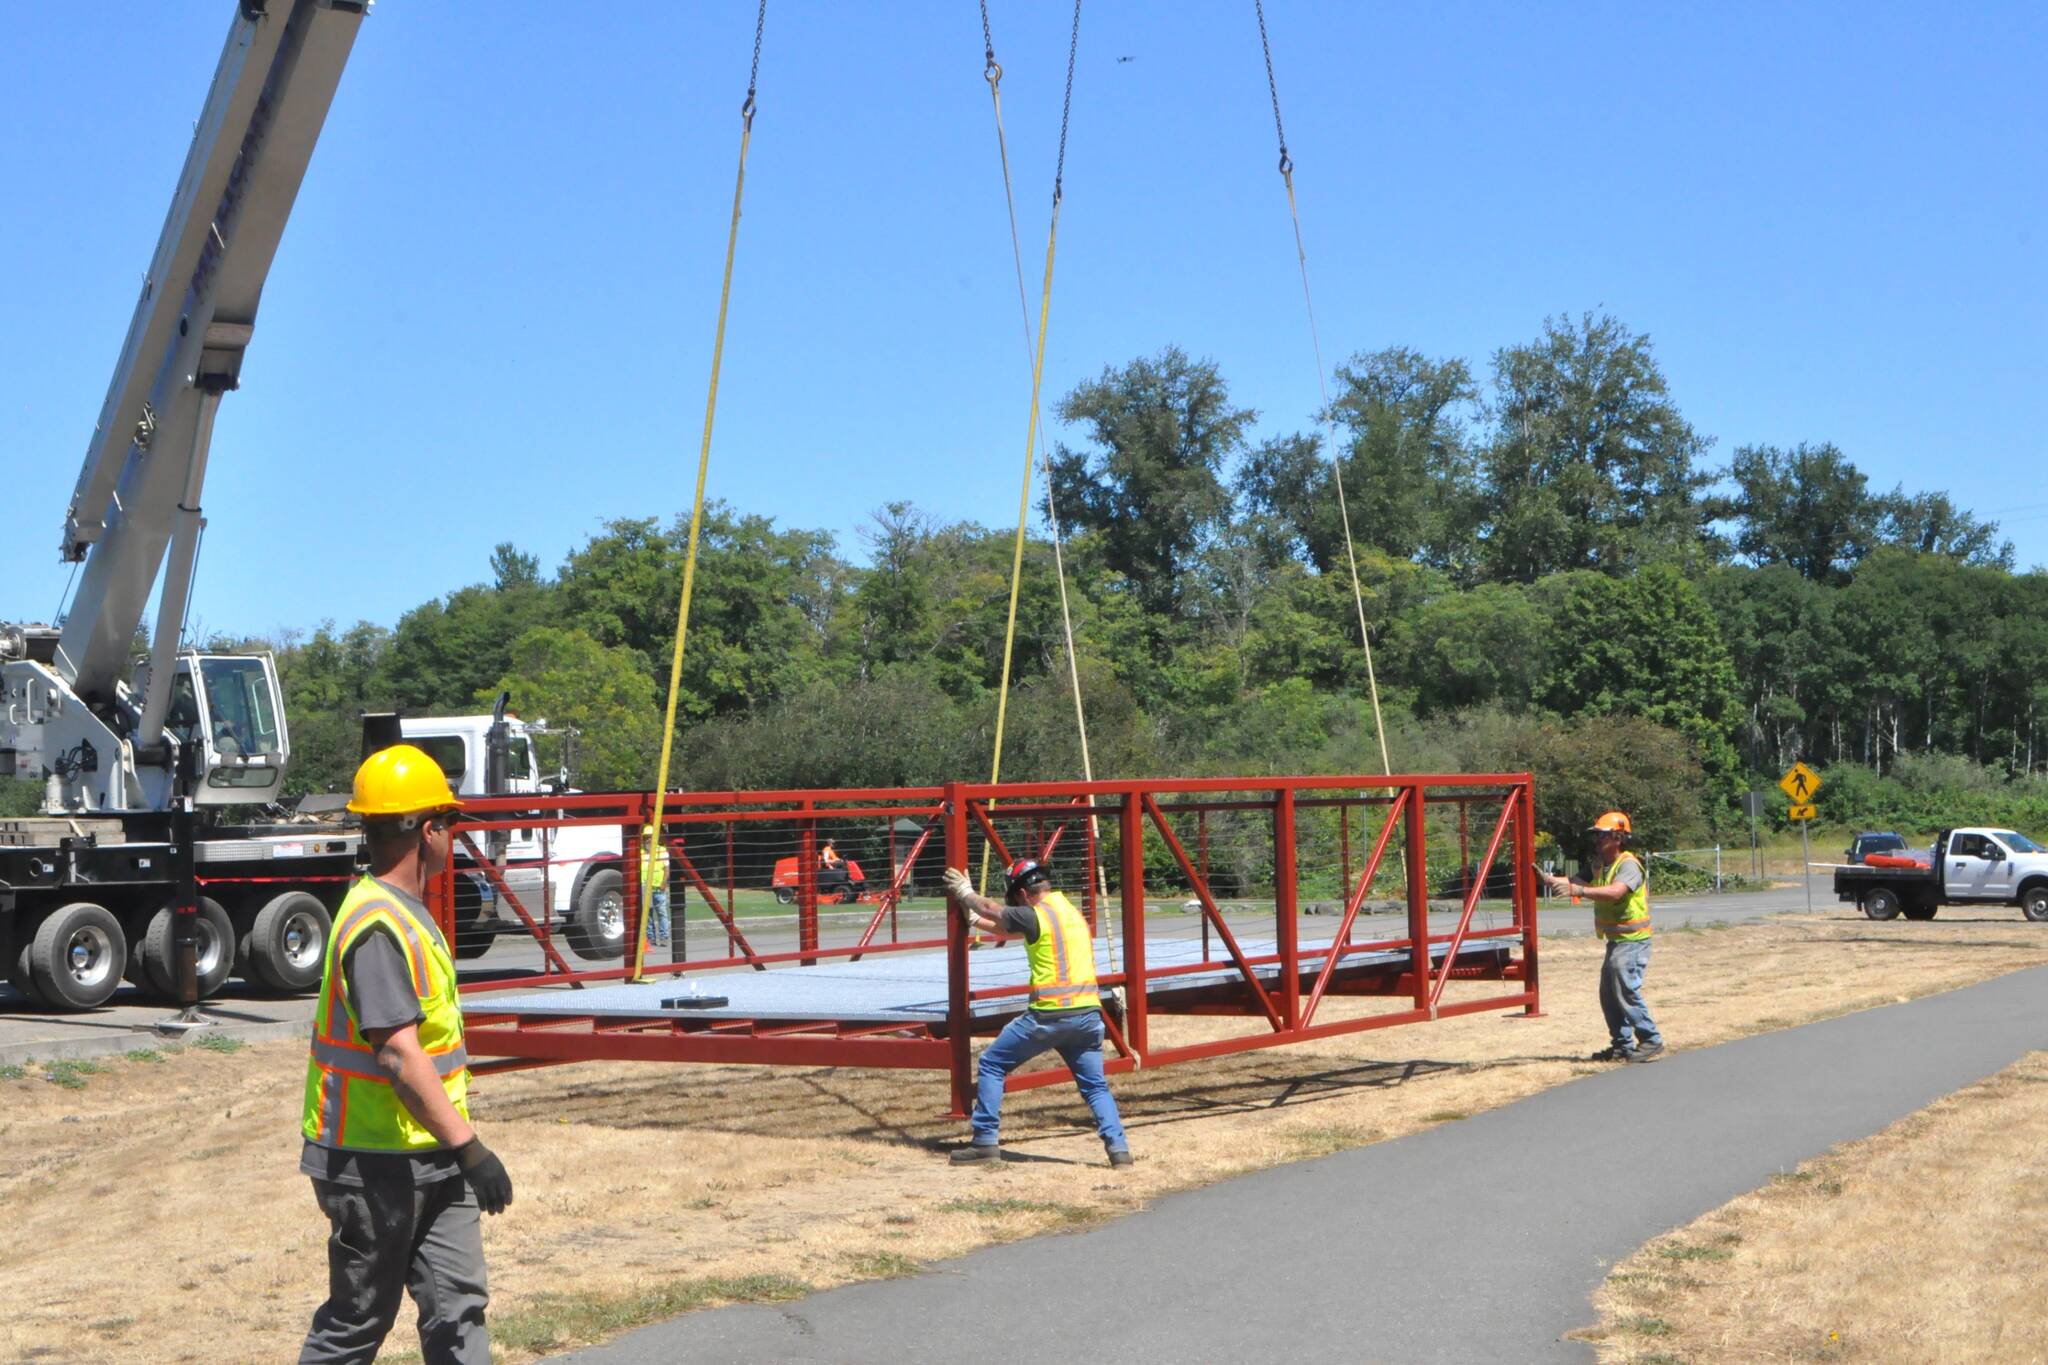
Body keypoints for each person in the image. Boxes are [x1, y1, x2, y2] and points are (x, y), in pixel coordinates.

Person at [300, 744, 513, 1364]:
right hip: (373, 1165)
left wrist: (456, 1150)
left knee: (459, 1307)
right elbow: (398, 1055)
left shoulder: (404, 914)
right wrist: (472, 1148)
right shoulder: (376, 926)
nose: (454, 838)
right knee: (358, 1322)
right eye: (450, 823)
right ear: (429, 830)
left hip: (432, 1155)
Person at [942, 858, 1133, 1167]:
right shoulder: (1068, 913)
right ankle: (1119, 1151)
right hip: (1087, 1015)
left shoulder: (1036, 914)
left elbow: (995, 910)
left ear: (1021, 893)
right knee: (1095, 1086)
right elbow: (1010, 928)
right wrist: (975, 921)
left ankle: (985, 1142)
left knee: (992, 1064)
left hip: (1049, 1015)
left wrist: (965, 893)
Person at [1543, 810, 1663, 1063]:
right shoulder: (1598, 863)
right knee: (1608, 994)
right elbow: (1573, 881)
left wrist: (1578, 890)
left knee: (1625, 990)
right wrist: (1548, 880)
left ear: (1618, 838)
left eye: (1602, 835)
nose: (1597, 840)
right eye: (1596, 835)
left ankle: (1650, 1038)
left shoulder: (1628, 864)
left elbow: (1616, 892)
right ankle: (1622, 1045)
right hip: (1616, 940)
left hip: (1634, 940)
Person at [640, 823, 670, 947]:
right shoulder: (640, 852)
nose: (648, 839)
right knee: (648, 914)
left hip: (659, 887)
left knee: (662, 913)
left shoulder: (661, 850)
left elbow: (667, 869)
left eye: (650, 836)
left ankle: (664, 937)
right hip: (645, 887)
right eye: (646, 837)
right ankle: (651, 938)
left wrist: (664, 882)